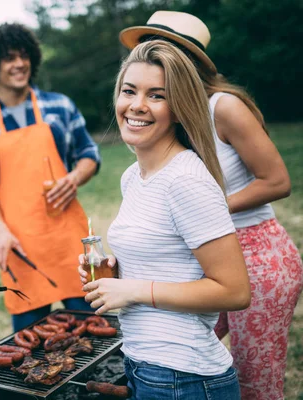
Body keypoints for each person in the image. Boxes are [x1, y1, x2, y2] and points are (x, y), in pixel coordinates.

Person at [119, 11, 303, 399]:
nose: (157, 57)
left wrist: (203, 211)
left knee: (255, 378)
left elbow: (278, 181)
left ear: (191, 62)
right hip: (199, 256)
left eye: (170, 51)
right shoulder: (162, 123)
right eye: (150, 47)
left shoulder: (223, 106)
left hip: (256, 253)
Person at [78, 40, 251, 399]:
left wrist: (133, 290)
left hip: (184, 377)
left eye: (156, 95)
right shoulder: (133, 176)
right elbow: (168, 267)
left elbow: (234, 290)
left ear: (178, 108)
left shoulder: (185, 180)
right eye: (129, 91)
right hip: (144, 364)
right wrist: (113, 275)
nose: (136, 105)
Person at [0, 23, 101, 332]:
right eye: (9, 58)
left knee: (94, 335)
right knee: (32, 351)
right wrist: (0, 230)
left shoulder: (60, 106)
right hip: (21, 251)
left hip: (69, 247)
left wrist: (75, 177)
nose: (19, 64)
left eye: (24, 56)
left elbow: (90, 154)